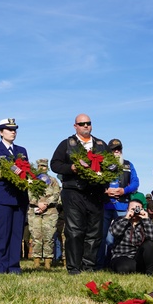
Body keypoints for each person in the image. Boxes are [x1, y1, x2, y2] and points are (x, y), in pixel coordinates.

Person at [50, 114, 109, 274]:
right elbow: (54, 164)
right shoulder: (67, 144)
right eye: (81, 124)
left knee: (94, 233)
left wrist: (105, 184)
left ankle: (88, 267)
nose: (85, 126)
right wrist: (71, 168)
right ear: (75, 126)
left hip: (95, 193)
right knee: (75, 231)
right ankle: (74, 268)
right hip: (74, 192)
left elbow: (110, 166)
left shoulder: (101, 145)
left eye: (88, 123)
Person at [0, 118, 31, 274]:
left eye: (14, 129)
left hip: (19, 198)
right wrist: (2, 173)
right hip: (2, 197)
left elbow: (26, 170)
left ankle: (14, 267)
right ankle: (0, 267)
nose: (13, 132)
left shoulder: (21, 150)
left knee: (16, 234)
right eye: (9, 129)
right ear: (0, 132)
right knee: (1, 234)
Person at [108, 192, 153, 274]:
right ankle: (139, 269)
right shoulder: (120, 220)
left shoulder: (146, 221)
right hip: (122, 255)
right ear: (127, 210)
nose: (135, 211)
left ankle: (149, 272)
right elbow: (115, 232)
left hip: (138, 256)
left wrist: (146, 219)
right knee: (123, 268)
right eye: (132, 209)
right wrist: (127, 218)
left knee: (151, 244)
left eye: (137, 209)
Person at [28, 158, 61, 269]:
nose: (42, 168)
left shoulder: (53, 180)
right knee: (36, 237)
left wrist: (46, 203)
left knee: (49, 237)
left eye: (44, 166)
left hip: (50, 212)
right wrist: (38, 203)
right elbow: (28, 194)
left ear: (47, 168)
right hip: (35, 212)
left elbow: (56, 194)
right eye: (40, 166)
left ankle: (48, 262)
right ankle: (36, 262)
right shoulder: (32, 180)